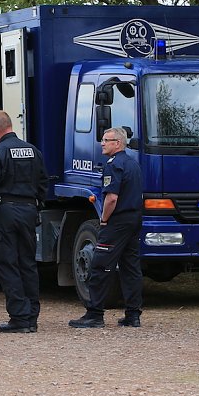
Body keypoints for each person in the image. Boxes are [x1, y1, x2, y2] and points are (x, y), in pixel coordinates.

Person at [0, 110, 48, 333]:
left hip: (4, 212)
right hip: (28, 210)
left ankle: (19, 316)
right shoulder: (33, 150)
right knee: (27, 263)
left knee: (7, 263)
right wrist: (38, 205)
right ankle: (32, 317)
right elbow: (43, 181)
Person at [69, 127, 143, 329]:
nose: (102, 143)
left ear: (117, 143)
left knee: (100, 265)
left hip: (117, 222)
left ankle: (94, 314)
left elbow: (111, 198)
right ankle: (133, 314)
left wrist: (103, 219)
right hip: (134, 219)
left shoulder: (114, 165)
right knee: (131, 268)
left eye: (106, 140)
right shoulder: (133, 164)